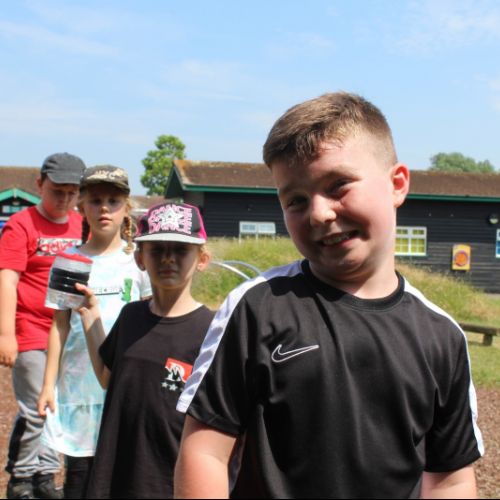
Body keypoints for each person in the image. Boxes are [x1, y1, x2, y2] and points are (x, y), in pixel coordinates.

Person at [174, 92, 484, 499]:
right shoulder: (257, 308)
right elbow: (205, 452)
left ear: (397, 184)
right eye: (296, 200)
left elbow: (450, 479)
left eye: (338, 185)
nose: (319, 213)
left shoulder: (441, 336)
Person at [76, 202, 214, 498]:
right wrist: (90, 316)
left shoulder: (212, 332)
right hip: (117, 474)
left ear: (202, 259)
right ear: (140, 258)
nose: (168, 258)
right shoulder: (130, 316)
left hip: (170, 481)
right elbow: (108, 378)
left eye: (181, 250)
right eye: (157, 249)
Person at [37, 166, 151, 499]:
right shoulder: (68, 261)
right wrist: (47, 385)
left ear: (126, 208)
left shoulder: (139, 262)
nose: (104, 208)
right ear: (81, 207)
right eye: (96, 200)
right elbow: (59, 324)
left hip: (124, 384)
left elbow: (149, 320)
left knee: (125, 471)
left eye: (113, 201)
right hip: (79, 389)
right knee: (81, 476)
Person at [0, 153, 86, 500]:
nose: (64, 199)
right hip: (30, 328)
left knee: (59, 406)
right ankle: (20, 479)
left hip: (69, 332)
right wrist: (6, 334)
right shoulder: (21, 224)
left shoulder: (82, 224)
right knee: (37, 407)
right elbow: (8, 279)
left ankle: (45, 477)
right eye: (56, 191)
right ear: (39, 185)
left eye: (71, 193)